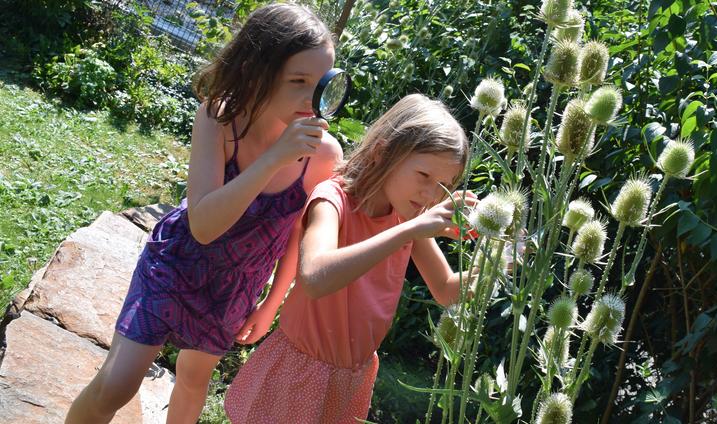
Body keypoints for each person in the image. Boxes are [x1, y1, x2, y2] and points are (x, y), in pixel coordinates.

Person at [65, 4, 342, 423]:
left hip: (233, 289)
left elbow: (296, 239)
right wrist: (273, 158)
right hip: (175, 266)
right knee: (117, 383)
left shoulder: (322, 155)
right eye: (297, 81)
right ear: (256, 71)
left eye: (320, 84)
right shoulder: (220, 118)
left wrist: (270, 304)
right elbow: (205, 224)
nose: (311, 99)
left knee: (193, 382)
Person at [224, 93, 477, 423]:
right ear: (382, 152)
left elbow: (446, 290)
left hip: (350, 377)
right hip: (300, 371)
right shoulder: (333, 200)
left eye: (443, 186)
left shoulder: (406, 217)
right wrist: (409, 231)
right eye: (423, 177)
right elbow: (315, 278)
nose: (431, 196)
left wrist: (498, 259)